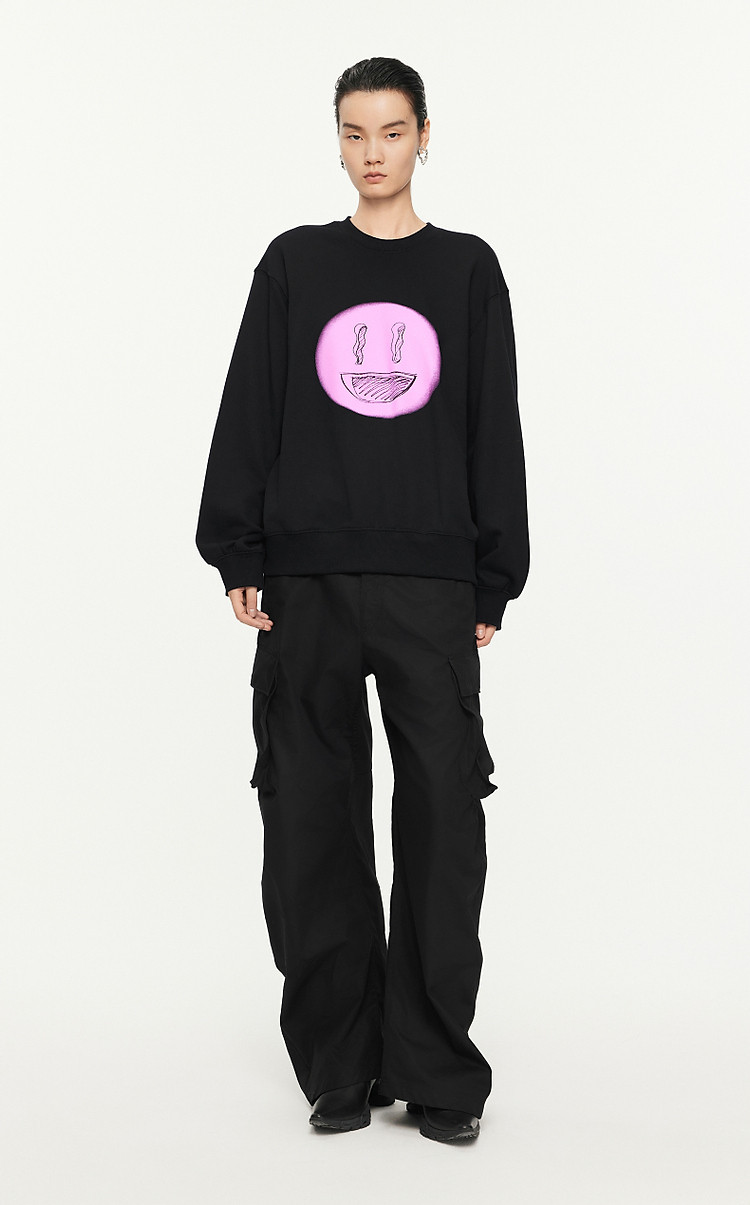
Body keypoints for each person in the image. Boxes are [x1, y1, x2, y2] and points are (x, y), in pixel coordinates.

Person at [195, 56, 530, 1144]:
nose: (373, 151)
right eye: (354, 132)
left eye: (391, 130)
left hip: (432, 582)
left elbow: (491, 422)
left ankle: (435, 1065)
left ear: (425, 135)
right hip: (308, 582)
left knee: (443, 820)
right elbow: (252, 401)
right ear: (336, 140)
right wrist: (238, 547)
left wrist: (495, 572)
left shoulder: (468, 269)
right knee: (309, 817)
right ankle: (339, 1061)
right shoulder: (295, 264)